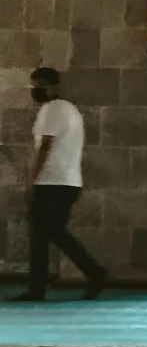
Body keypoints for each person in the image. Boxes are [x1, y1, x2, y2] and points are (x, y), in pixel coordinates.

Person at [17, 65, 105, 300]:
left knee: (39, 235)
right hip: (68, 181)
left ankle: (36, 289)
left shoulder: (53, 109)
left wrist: (31, 180)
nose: (36, 91)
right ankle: (94, 271)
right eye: (33, 87)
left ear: (54, 87)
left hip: (51, 181)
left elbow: (45, 146)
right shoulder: (70, 110)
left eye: (40, 87)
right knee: (55, 232)